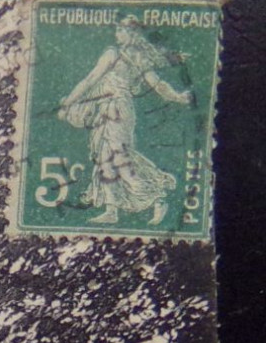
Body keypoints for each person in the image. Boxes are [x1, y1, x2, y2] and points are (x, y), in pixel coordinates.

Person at [57, 17, 193, 226]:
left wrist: (68, 103)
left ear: (131, 34)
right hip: (115, 109)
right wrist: (178, 97)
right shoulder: (140, 60)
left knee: (119, 157)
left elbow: (90, 79)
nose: (116, 35)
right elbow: (160, 86)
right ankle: (112, 210)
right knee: (104, 156)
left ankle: (157, 196)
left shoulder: (114, 54)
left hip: (115, 109)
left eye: (120, 31)